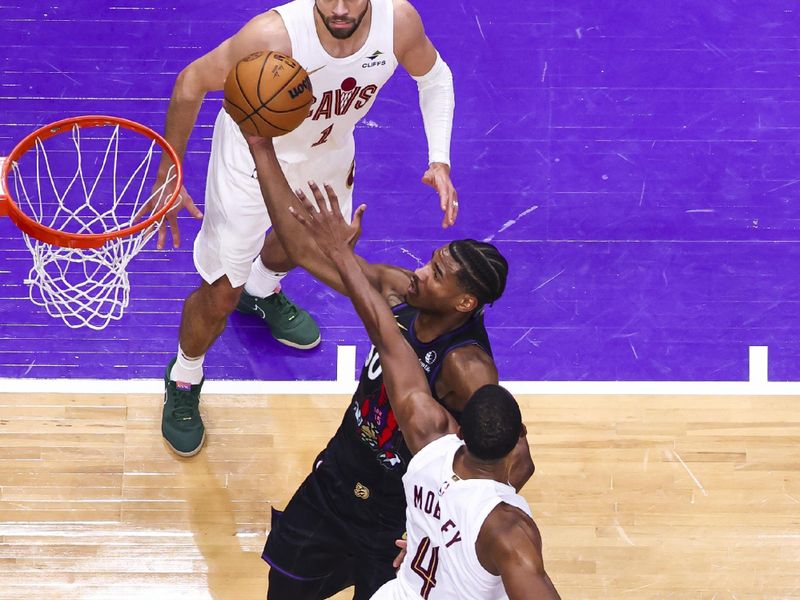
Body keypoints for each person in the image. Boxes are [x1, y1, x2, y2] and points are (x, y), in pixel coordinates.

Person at [156, 0, 458, 456]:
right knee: (220, 295)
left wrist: (439, 157)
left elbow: (435, 78)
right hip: (251, 162)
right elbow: (191, 81)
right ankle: (184, 374)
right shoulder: (272, 37)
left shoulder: (398, 23)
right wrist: (168, 177)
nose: (339, 8)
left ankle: (262, 288)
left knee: (300, 248)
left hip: (324, 159)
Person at [242, 136, 535, 599]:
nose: (420, 271)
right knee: (284, 590)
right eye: (430, 262)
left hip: (395, 517)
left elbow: (516, 455)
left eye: (436, 274)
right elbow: (301, 249)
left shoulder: (468, 366)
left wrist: (443, 524)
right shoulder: (400, 294)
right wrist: (261, 150)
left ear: (464, 301)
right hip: (337, 478)